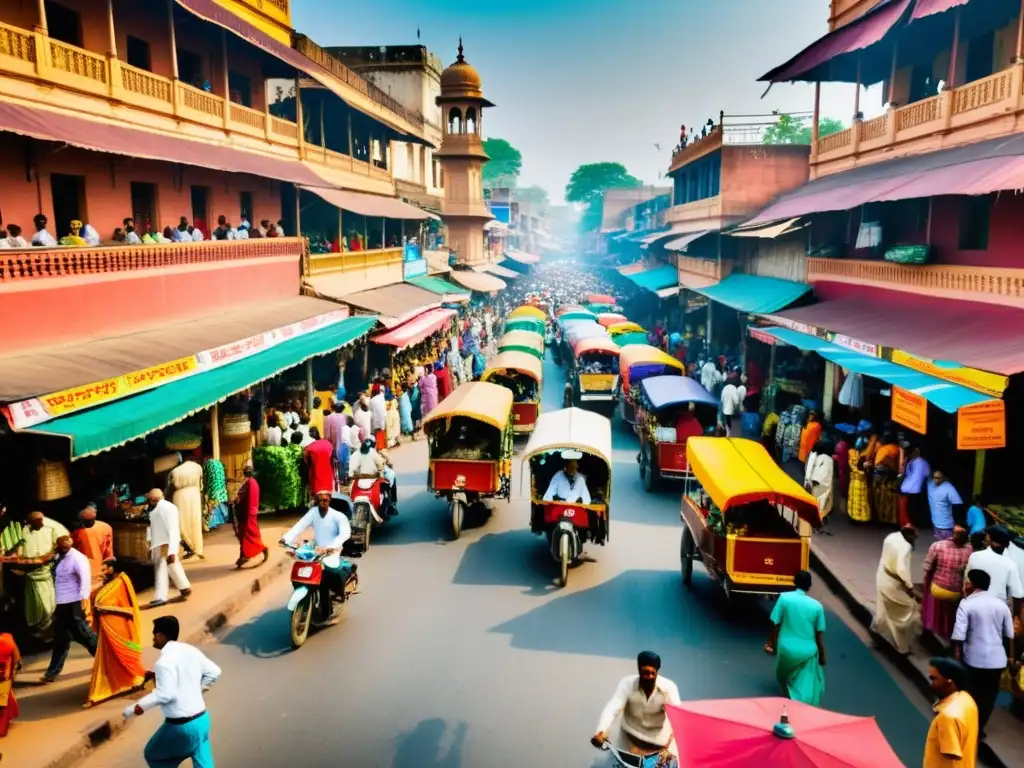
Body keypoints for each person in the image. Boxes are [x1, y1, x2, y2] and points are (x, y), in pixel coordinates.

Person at [125, 615, 221, 768]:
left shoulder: (163, 663)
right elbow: (214, 672)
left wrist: (135, 708)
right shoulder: (190, 650)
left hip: (181, 727)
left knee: (153, 755)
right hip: (202, 720)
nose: (153, 639)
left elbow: (164, 694)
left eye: (154, 635)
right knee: (202, 759)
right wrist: (197, 690)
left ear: (161, 636)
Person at [952, 568, 1014, 736]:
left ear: (971, 585)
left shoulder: (967, 604)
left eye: (967, 582)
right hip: (997, 660)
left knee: (970, 692)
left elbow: (958, 635)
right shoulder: (1001, 604)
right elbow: (1009, 634)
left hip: (974, 658)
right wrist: (1010, 657)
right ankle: (979, 728)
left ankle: (966, 725)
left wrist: (957, 654)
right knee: (989, 694)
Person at [280, 491, 354, 625]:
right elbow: (300, 525)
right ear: (316, 501)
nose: (322, 503)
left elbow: (345, 533)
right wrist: (286, 539)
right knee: (303, 565)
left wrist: (331, 546)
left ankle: (331, 606)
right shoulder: (313, 513)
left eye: (325, 500)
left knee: (327, 576)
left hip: (332, 551)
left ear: (329, 501)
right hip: (317, 549)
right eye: (320, 500)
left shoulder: (338, 516)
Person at [592, 651, 680, 759]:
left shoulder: (668, 687)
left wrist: (669, 743)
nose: (650, 677)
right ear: (639, 670)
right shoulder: (627, 684)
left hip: (662, 753)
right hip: (631, 751)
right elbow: (612, 708)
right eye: (645, 673)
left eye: (653, 673)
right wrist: (601, 731)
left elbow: (678, 718)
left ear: (658, 672)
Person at [86, 558, 146, 706]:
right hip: (106, 630)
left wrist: (106, 609)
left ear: (114, 569)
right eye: (102, 569)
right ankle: (107, 686)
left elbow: (130, 610)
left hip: (120, 629)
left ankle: (131, 679)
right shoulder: (108, 584)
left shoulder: (122, 583)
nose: (103, 572)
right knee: (107, 660)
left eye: (106, 569)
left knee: (121, 659)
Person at [765, 570, 826, 705]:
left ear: (794, 583)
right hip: (808, 652)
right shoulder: (817, 607)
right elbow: (819, 635)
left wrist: (772, 643)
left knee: (783, 677)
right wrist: (821, 655)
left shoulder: (784, 598)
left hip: (786, 648)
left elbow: (775, 623)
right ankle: (800, 704)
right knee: (806, 682)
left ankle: (790, 702)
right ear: (809, 586)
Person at [42, 536, 98, 682]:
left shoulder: (77, 558)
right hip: (61, 604)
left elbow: (85, 579)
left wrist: (84, 600)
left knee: (85, 636)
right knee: (61, 638)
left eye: (63, 547)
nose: (60, 549)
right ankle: (52, 672)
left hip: (73, 603)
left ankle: (108, 660)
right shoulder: (58, 557)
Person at [17, 510, 69, 634]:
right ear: (30, 523)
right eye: (37, 521)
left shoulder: (52, 527)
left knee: (48, 605)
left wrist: (52, 555)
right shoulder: (24, 530)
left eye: (42, 520)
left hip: (46, 571)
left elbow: (65, 541)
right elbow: (20, 550)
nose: (41, 522)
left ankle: (46, 625)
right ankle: (40, 626)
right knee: (36, 603)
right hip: (31, 572)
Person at [871, 524, 920, 654]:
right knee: (905, 612)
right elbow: (901, 569)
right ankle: (903, 647)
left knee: (882, 607)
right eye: (914, 537)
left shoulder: (891, 536)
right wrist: (910, 587)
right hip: (893, 583)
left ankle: (877, 632)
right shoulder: (906, 547)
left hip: (882, 575)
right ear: (909, 536)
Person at [924, 657, 978, 768]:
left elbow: (951, 754)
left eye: (933, 679)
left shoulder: (947, 717)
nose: (930, 683)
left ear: (949, 681)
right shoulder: (967, 700)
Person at [922, 526, 973, 641]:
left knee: (931, 588)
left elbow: (927, 566)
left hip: (938, 589)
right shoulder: (970, 549)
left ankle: (931, 624)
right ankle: (949, 629)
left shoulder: (938, 545)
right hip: (957, 592)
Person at [146, 490, 192, 608]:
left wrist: (172, 550)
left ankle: (161, 597)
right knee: (171, 565)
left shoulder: (168, 508)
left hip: (165, 543)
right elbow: (151, 527)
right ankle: (184, 587)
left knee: (162, 567)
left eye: (149, 499)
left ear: (153, 499)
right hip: (159, 543)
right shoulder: (155, 509)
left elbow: (173, 530)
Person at [967, 525, 1024, 616]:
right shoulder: (1013, 559)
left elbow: (968, 585)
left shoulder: (976, 556)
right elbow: (1017, 595)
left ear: (989, 538)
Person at [232, 462, 268, 569]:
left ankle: (261, 549)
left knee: (249, 535)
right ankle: (243, 556)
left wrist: (237, 501)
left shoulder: (250, 483)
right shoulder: (250, 482)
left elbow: (249, 499)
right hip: (245, 513)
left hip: (248, 514)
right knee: (242, 535)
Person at [72, 503, 114, 593]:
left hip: (97, 572)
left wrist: (109, 565)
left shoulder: (105, 528)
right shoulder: (77, 532)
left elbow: (109, 550)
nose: (86, 524)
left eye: (88, 521)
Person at [169, 458, 205, 559]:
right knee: (195, 522)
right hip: (194, 495)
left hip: (180, 496)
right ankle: (198, 548)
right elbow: (201, 484)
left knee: (181, 523)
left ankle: (188, 547)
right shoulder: (198, 468)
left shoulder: (175, 471)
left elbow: (172, 486)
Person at [872, 433, 901, 526]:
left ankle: (881, 518)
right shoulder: (898, 449)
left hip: (881, 479)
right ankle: (891, 519)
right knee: (891, 500)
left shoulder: (883, 449)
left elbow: (877, 465)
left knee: (880, 499)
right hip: (892, 477)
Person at [803, 440, 834, 522]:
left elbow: (808, 469)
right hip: (821, 485)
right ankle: (819, 518)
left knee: (814, 501)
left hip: (812, 483)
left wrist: (808, 482)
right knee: (821, 503)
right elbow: (826, 474)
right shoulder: (828, 459)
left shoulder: (813, 455)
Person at [900, 445, 930, 529]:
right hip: (915, 490)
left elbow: (906, 474)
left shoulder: (910, 462)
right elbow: (927, 474)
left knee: (909, 508)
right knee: (913, 508)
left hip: (906, 488)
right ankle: (913, 524)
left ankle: (909, 524)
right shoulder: (922, 462)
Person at [928, 470, 963, 542]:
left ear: (942, 478)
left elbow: (957, 503)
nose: (936, 479)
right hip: (935, 523)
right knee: (939, 544)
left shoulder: (948, 487)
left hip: (946, 525)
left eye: (938, 478)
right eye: (934, 477)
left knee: (948, 545)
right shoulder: (930, 484)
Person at [303, 427, 336, 496]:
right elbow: (332, 461)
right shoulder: (328, 443)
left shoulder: (308, 448)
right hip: (328, 475)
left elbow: (307, 464)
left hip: (316, 476)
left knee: (317, 498)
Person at [847, 436, 871, 523]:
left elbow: (851, 466)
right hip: (861, 481)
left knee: (853, 500)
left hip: (853, 481)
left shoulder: (850, 452)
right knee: (861, 500)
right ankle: (860, 517)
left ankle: (853, 517)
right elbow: (863, 468)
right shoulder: (864, 456)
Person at [0, 631, 20, 737]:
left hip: (4, 675)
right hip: (4, 676)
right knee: (4, 700)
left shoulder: (7, 640)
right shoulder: (8, 639)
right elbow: (15, 658)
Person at [370, 386, 387, 450]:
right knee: (381, 432)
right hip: (382, 418)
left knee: (377, 433)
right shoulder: (381, 398)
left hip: (375, 419)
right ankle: (381, 447)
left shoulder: (371, 400)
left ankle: (379, 448)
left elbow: (370, 410)